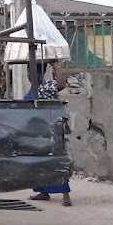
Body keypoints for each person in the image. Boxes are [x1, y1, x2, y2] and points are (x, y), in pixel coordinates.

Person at [25, 60, 73, 207]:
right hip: (38, 131)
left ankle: (66, 194)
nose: (29, 76)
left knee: (57, 160)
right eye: (28, 73)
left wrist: (56, 67)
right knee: (39, 163)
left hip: (51, 130)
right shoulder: (33, 89)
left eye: (32, 73)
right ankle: (43, 191)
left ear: (40, 75)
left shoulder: (46, 87)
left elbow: (61, 85)